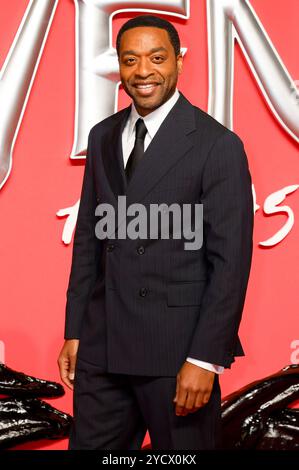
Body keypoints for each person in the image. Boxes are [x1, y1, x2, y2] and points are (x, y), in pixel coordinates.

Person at [58, 15, 253, 450]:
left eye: (157, 58)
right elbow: (90, 240)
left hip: (177, 351)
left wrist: (205, 358)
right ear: (120, 69)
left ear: (179, 62)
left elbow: (231, 263)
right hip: (103, 347)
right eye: (131, 60)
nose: (143, 71)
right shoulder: (103, 135)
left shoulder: (217, 145)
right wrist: (76, 330)